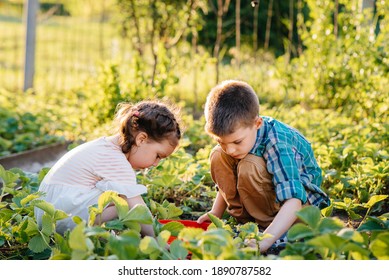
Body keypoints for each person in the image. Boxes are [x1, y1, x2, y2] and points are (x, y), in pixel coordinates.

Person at [197, 80, 330, 252]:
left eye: (237, 141)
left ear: (257, 124)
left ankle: (270, 230)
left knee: (249, 165)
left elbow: (294, 200)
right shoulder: (240, 141)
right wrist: (216, 212)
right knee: (218, 155)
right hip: (263, 203)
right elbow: (228, 168)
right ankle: (247, 222)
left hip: (298, 211)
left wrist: (265, 241)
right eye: (221, 141)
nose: (230, 149)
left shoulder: (277, 143)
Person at [35, 100, 181, 236]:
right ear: (141, 139)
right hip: (60, 219)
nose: (156, 164)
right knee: (124, 201)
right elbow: (138, 207)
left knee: (119, 197)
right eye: (158, 156)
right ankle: (89, 235)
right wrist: (155, 239)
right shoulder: (116, 161)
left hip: (49, 214)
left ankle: (97, 234)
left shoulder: (105, 147)